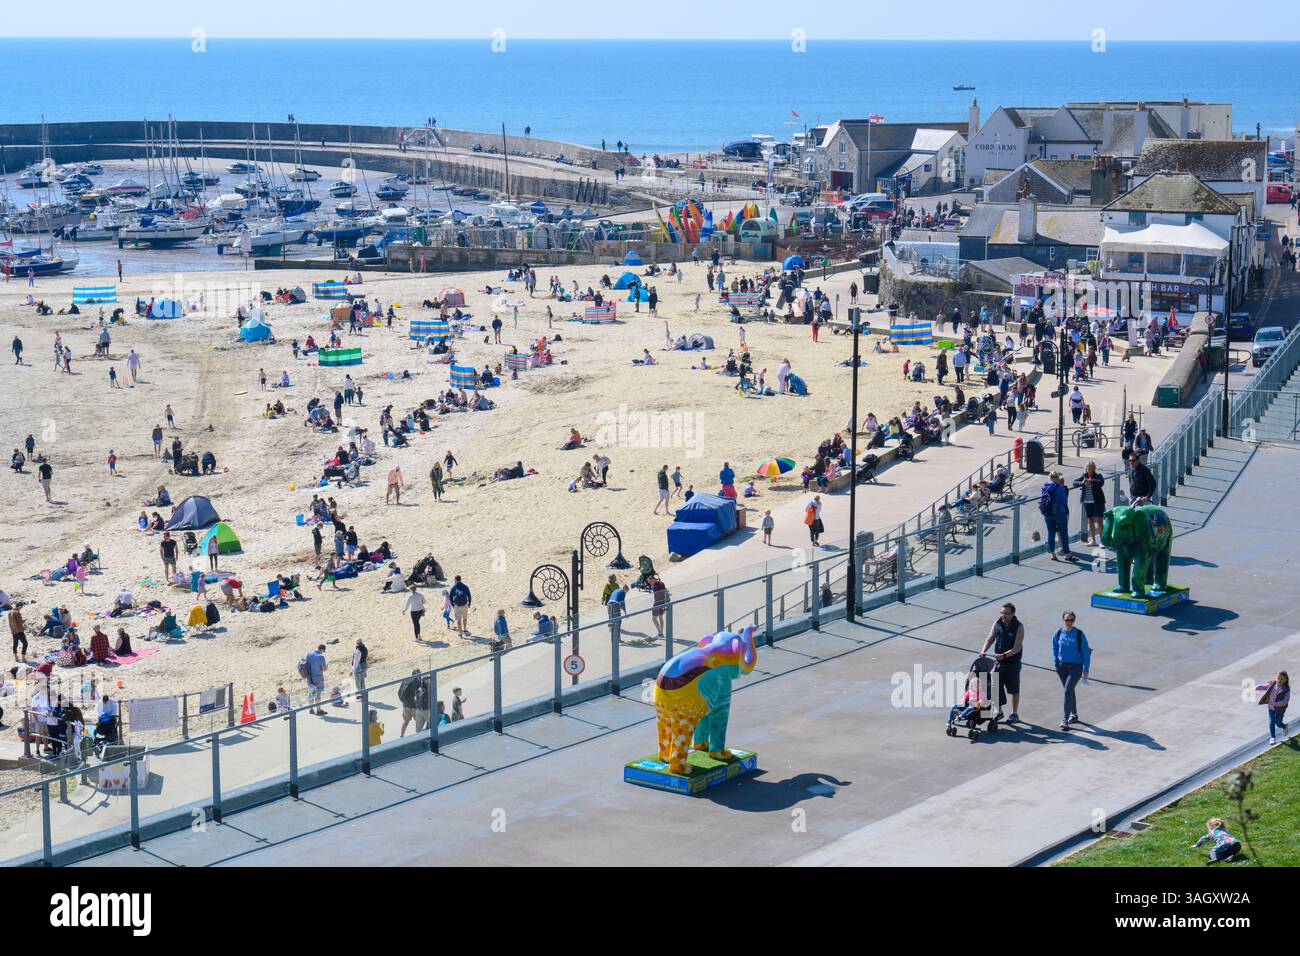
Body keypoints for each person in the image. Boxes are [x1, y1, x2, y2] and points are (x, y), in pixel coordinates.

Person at [979, 602, 1024, 721]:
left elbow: (1017, 647)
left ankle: (1014, 713)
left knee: (1014, 689)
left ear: (1013, 614)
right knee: (995, 687)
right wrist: (983, 650)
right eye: (1002, 612)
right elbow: (990, 638)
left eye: (1006, 613)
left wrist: (1004, 655)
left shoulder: (1019, 627)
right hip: (998, 663)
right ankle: (999, 711)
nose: (1003, 615)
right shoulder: (997, 623)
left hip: (1012, 664)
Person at [1051, 611, 1091, 730]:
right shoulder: (1058, 632)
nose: (1069, 622)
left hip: (1075, 667)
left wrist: (1086, 668)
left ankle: (1065, 719)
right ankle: (1074, 715)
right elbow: (1054, 647)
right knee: (1069, 690)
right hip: (1062, 666)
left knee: (1068, 690)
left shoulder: (1079, 634)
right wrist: (1056, 662)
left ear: (1074, 621)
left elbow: (1085, 652)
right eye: (1067, 620)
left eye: (1071, 620)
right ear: (1063, 620)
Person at [1040, 471, 1076, 561]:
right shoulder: (1059, 487)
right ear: (1057, 478)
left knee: (1051, 533)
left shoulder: (1045, 487)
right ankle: (1067, 554)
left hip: (1047, 513)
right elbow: (1064, 500)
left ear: (1049, 478)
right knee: (1063, 533)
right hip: (1059, 512)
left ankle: (1052, 553)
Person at [1074, 461, 1107, 548]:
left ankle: (1101, 540)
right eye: (1089, 468)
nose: (1090, 470)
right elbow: (1074, 482)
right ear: (1086, 469)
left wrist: (1091, 481)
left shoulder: (1098, 476)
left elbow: (1101, 482)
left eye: (1092, 468)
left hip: (1098, 501)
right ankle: (1093, 540)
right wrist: (1082, 483)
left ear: (1094, 468)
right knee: (1090, 520)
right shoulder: (1084, 476)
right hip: (1087, 501)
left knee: (1100, 520)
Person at [1255, 671, 1289, 744]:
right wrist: (1256, 687)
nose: (1279, 680)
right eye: (1278, 678)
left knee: (1278, 723)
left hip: (1280, 709)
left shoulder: (1286, 690)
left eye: (1282, 679)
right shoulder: (1272, 684)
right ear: (1276, 678)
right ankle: (1272, 737)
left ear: (1286, 680)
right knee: (1271, 723)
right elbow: (1264, 686)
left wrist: (1276, 704)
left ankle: (1284, 726)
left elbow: (1285, 701)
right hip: (1271, 708)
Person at [398, 669, 430, 736]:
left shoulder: (405, 681)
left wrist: (403, 702)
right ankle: (420, 735)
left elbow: (399, 693)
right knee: (419, 722)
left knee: (406, 721)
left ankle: (401, 735)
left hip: (405, 706)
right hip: (413, 706)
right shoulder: (417, 682)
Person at [305, 644, 327, 715]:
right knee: (318, 694)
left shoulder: (309, 653)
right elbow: (324, 669)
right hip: (318, 677)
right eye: (323, 651)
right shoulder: (321, 657)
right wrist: (326, 666)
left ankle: (311, 709)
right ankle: (318, 710)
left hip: (309, 677)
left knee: (311, 693)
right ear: (322, 649)